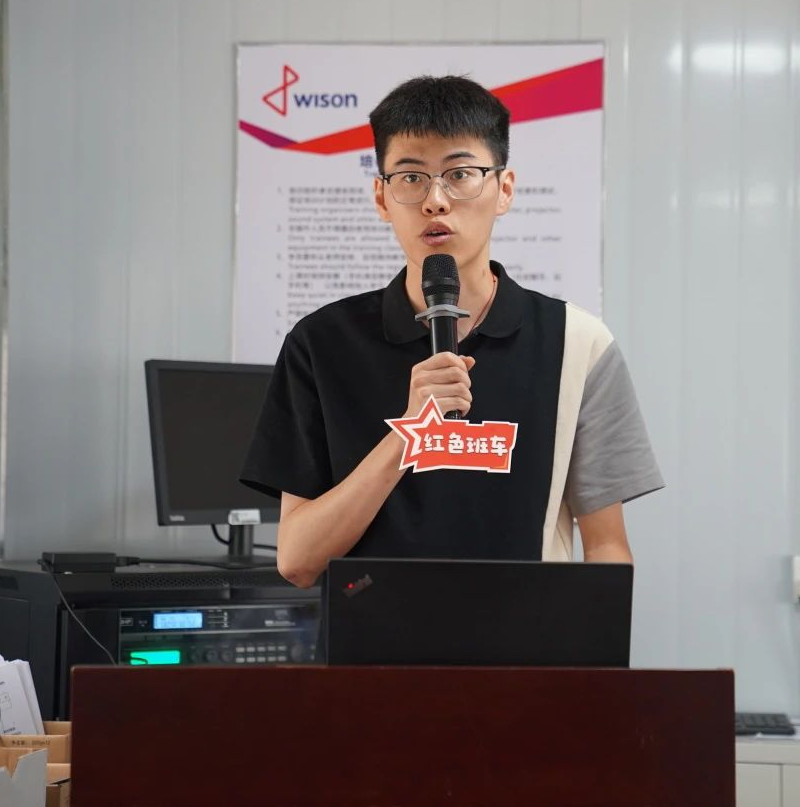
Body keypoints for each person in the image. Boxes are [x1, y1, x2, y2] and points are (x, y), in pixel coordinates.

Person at [240, 75, 662, 588]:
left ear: (504, 189)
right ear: (381, 198)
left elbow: (606, 546)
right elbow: (297, 561)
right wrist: (411, 432)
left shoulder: (580, 343)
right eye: (411, 177)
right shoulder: (321, 344)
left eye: (460, 174)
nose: (435, 200)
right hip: (372, 641)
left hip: (528, 639)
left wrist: (595, 640)